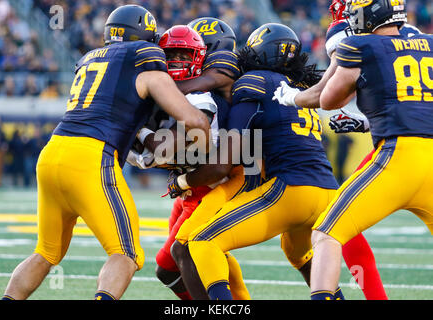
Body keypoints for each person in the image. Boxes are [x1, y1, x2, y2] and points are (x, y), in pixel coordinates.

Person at [1, 5, 210, 301]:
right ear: (145, 37)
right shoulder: (144, 58)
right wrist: (195, 145)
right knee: (126, 254)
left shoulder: (89, 58)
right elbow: (194, 120)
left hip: (52, 153)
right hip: (91, 157)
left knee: (45, 253)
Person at [167, 23, 343, 300]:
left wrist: (183, 178)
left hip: (289, 190)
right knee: (298, 254)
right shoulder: (299, 87)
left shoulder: (254, 82)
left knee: (201, 241)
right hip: (328, 192)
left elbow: (227, 161)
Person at [306, 0, 433, 300]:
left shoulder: (359, 43)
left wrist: (293, 99)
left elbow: (327, 99)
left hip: (398, 157)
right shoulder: (428, 43)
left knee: (327, 233)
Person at [128, 23, 252, 300]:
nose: (175, 62)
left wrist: (155, 90)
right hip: (197, 178)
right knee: (168, 269)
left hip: (221, 175)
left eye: (184, 55)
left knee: (187, 249)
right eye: (170, 55)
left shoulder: (215, 79)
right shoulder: (188, 93)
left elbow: (166, 150)